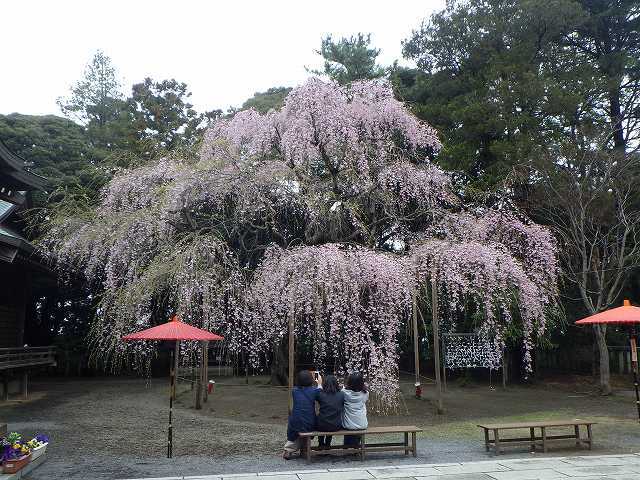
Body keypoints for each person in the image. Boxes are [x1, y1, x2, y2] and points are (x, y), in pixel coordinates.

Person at [283, 370, 322, 459]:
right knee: (308, 426)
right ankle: (304, 448)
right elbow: (320, 389)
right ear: (311, 380)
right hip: (309, 422)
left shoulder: (295, 391)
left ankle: (289, 449)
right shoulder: (314, 391)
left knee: (297, 429)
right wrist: (318, 380)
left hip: (295, 422)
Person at [315, 374, 344, 449]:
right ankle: (328, 444)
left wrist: (318, 383)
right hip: (336, 425)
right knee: (331, 416)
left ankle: (321, 443)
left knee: (321, 418)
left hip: (321, 425)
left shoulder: (321, 394)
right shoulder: (341, 395)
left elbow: (318, 390)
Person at [342, 372, 368, 447]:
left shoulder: (344, 392)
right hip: (362, 424)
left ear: (349, 381)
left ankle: (347, 447)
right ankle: (356, 447)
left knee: (349, 427)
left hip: (348, 425)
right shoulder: (365, 393)